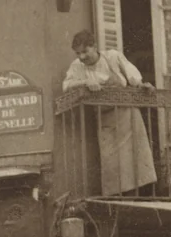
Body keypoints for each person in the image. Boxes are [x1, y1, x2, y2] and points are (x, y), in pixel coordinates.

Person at [62, 29, 157, 196]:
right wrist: (85, 82)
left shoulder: (112, 57)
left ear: (95, 46)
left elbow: (132, 75)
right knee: (112, 165)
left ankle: (142, 197)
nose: (82, 57)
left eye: (85, 51)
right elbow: (66, 86)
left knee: (136, 161)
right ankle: (120, 201)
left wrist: (141, 84)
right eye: (78, 53)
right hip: (105, 119)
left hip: (127, 115)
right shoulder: (77, 66)